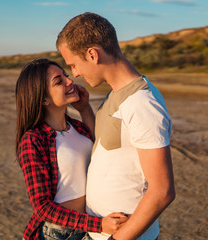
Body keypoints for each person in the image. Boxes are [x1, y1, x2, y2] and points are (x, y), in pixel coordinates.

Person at [56, 12, 176, 240]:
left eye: (73, 64)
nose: (75, 74)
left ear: (92, 54)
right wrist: (84, 110)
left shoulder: (142, 104)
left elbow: (163, 191)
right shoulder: (116, 94)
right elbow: (107, 144)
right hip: (98, 232)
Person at [15, 58, 128, 240]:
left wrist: (84, 109)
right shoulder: (33, 140)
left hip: (90, 223)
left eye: (66, 76)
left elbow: (100, 146)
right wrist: (99, 225)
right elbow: (42, 207)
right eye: (59, 81)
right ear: (43, 98)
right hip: (60, 232)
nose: (70, 81)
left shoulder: (77, 127)